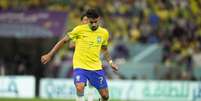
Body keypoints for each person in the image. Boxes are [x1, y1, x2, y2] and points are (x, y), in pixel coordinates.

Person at [41, 9, 118, 101]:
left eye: (96, 22)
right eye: (91, 22)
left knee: (105, 96)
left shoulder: (104, 33)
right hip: (80, 65)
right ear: (88, 20)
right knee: (80, 87)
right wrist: (50, 54)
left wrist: (110, 62)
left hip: (96, 67)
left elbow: (105, 49)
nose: (93, 24)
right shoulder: (79, 29)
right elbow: (63, 41)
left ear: (99, 19)